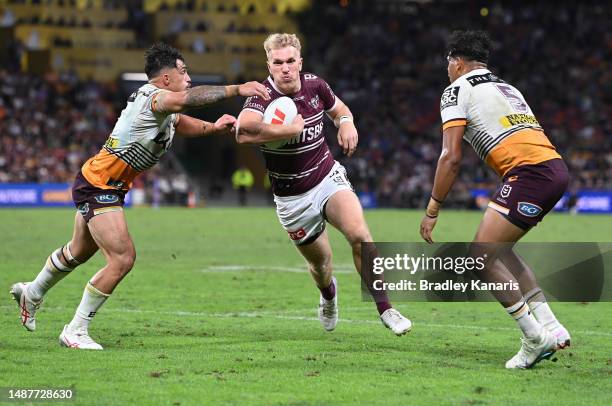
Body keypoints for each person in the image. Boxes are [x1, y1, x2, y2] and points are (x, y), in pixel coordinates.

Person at [10, 42, 270, 350]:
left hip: (100, 181)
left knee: (78, 252)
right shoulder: (155, 98)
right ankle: (75, 330)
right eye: (183, 72)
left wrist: (213, 127)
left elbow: (180, 122)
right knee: (122, 258)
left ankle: (33, 292)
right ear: (165, 79)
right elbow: (189, 99)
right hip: (100, 186)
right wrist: (236, 89)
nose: (188, 78)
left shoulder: (163, 108)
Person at [236, 33, 411, 335]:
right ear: (269, 65)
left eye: (291, 61)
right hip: (292, 198)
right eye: (278, 63)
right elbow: (243, 130)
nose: (286, 68)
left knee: (360, 235)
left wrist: (346, 124)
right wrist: (287, 129)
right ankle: (328, 295)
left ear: (300, 62)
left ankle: (386, 308)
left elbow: (340, 111)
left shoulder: (316, 85)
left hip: (326, 177)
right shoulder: (261, 96)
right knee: (321, 265)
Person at [419, 30, 570, 369]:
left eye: (448, 62)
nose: (447, 69)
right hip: (554, 169)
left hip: (530, 175)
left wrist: (432, 208)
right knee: (501, 251)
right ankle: (551, 326)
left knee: (480, 257)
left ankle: (534, 338)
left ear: (457, 63)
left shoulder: (455, 90)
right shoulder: (507, 87)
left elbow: (450, 156)